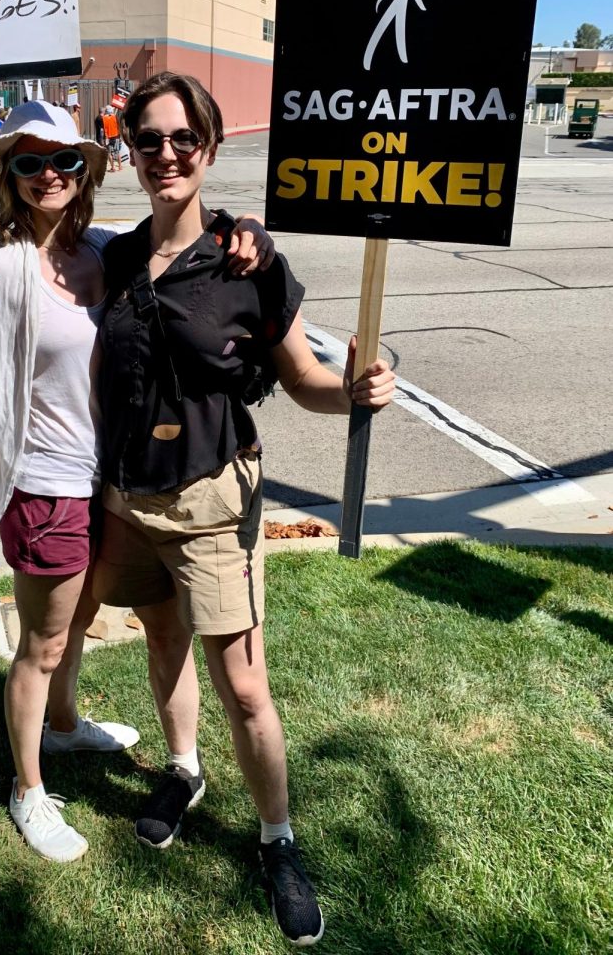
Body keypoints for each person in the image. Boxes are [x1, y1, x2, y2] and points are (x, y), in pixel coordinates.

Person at [0, 100, 273, 865]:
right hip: (48, 487)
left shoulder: (106, 251)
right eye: (30, 162)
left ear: (90, 171)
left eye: (66, 161)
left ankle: (67, 725)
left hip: (114, 482)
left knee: (76, 626)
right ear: (8, 177)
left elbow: (182, 237)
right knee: (42, 643)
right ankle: (29, 789)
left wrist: (250, 229)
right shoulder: (1, 267)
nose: (50, 175)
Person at [92, 71, 396, 947]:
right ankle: (183, 771)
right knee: (160, 642)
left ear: (211, 147)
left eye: (182, 139)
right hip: (127, 497)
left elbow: (302, 380)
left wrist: (356, 392)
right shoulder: (114, 259)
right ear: (131, 152)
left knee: (246, 685)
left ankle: (277, 838)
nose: (165, 156)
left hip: (213, 502)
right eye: (147, 140)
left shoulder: (245, 262)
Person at [102, 106, 121, 172]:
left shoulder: (104, 118)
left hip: (108, 138)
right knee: (117, 151)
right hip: (116, 136)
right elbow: (118, 126)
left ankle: (113, 167)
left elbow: (103, 128)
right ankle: (120, 167)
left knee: (109, 153)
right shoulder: (115, 117)